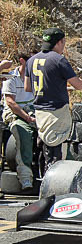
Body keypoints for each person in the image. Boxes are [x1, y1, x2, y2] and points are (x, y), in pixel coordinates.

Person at [24, 28, 82, 171]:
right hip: (56, 112)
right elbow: (78, 85)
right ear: (60, 42)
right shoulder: (59, 60)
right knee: (56, 152)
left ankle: (42, 182)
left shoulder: (31, 60)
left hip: (39, 112)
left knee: (43, 149)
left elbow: (27, 87)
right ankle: (53, 187)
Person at [2, 52, 37, 193]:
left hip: (32, 111)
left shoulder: (37, 78)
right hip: (14, 112)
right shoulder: (12, 77)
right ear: (23, 61)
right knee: (22, 133)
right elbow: (10, 102)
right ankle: (25, 176)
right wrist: (27, 118)